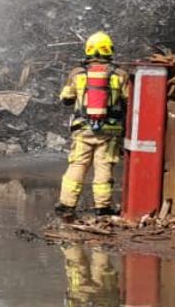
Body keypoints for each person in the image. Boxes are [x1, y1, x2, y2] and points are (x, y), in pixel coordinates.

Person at [56, 31, 127, 219]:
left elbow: (66, 98)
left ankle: (66, 205)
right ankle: (102, 208)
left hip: (83, 130)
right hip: (110, 130)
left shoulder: (77, 73)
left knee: (78, 165)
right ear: (109, 50)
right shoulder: (120, 74)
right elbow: (129, 98)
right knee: (103, 167)